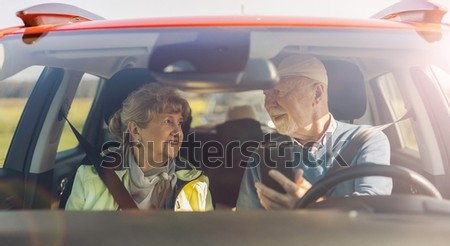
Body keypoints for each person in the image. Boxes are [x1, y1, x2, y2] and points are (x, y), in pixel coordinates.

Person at [236, 54, 392, 209]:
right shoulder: (264, 156)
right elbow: (245, 226)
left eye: (278, 92)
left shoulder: (366, 140)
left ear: (317, 93)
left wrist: (310, 208)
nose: (268, 105)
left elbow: (371, 212)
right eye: (266, 94)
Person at [65, 83, 213, 211]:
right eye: (168, 121)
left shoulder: (197, 184)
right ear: (135, 130)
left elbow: (207, 241)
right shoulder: (91, 177)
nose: (178, 132)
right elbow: (71, 238)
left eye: (179, 122)